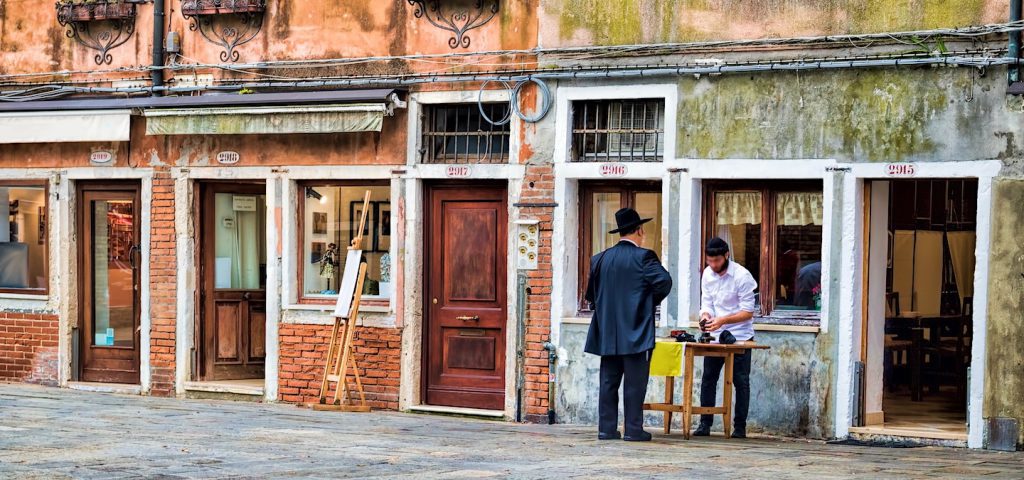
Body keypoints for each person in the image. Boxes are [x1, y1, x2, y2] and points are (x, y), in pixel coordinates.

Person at [584, 207, 673, 442]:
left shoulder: (599, 258)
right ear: (640, 231)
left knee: (608, 382)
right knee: (635, 384)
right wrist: (646, 303)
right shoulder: (644, 257)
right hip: (636, 331)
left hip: (607, 332)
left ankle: (606, 429)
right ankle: (633, 430)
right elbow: (664, 282)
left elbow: (591, 296)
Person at [694, 237, 757, 438]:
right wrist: (705, 316)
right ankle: (705, 423)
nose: (713, 265)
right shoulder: (707, 274)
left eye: (717, 261)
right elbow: (707, 303)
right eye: (709, 261)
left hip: (740, 336)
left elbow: (748, 312)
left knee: (741, 382)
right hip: (715, 335)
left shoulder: (742, 276)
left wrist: (723, 320)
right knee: (708, 379)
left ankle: (740, 427)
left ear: (727, 255)